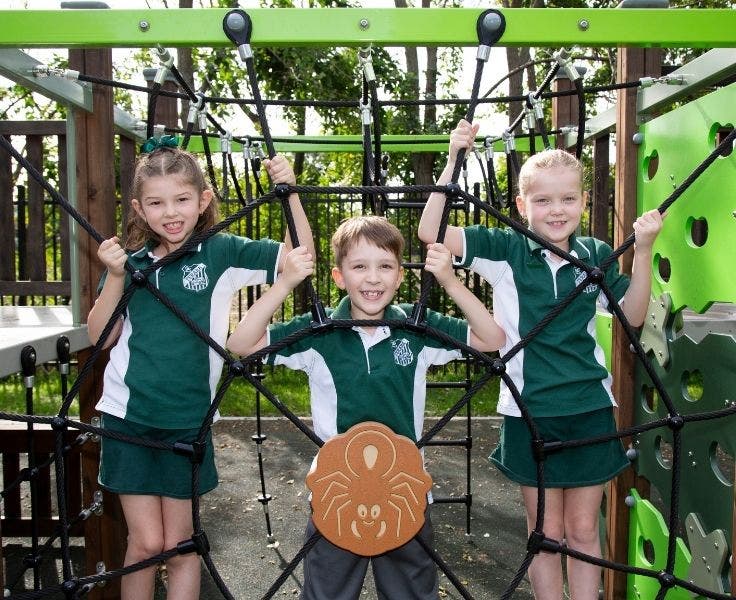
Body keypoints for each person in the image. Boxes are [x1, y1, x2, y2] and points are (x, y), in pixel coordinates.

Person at [417, 119, 664, 600]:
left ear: (584, 203)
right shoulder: (506, 248)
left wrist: (647, 248)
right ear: (521, 205)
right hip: (530, 413)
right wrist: (453, 157)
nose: (557, 210)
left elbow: (631, 314)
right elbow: (432, 230)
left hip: (589, 409)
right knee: (546, 535)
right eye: (543, 200)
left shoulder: (592, 253)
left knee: (585, 531)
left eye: (568, 199)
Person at [227, 215, 505, 600]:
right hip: (335, 493)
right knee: (329, 593)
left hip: (405, 493)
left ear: (400, 276)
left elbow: (491, 338)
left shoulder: (416, 327)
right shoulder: (320, 332)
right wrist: (285, 282)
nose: (372, 278)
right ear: (339, 276)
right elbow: (241, 343)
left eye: (385, 266)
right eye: (359, 266)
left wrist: (450, 281)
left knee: (410, 592)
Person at [87, 144, 313, 600]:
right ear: (138, 209)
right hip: (127, 416)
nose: (170, 213)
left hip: (187, 421)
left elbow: (298, 256)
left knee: (181, 547)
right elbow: (102, 338)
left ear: (203, 200)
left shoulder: (219, 253)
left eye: (181, 199)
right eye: (156, 202)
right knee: (147, 543)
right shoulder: (129, 264)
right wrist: (112, 277)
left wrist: (289, 193)